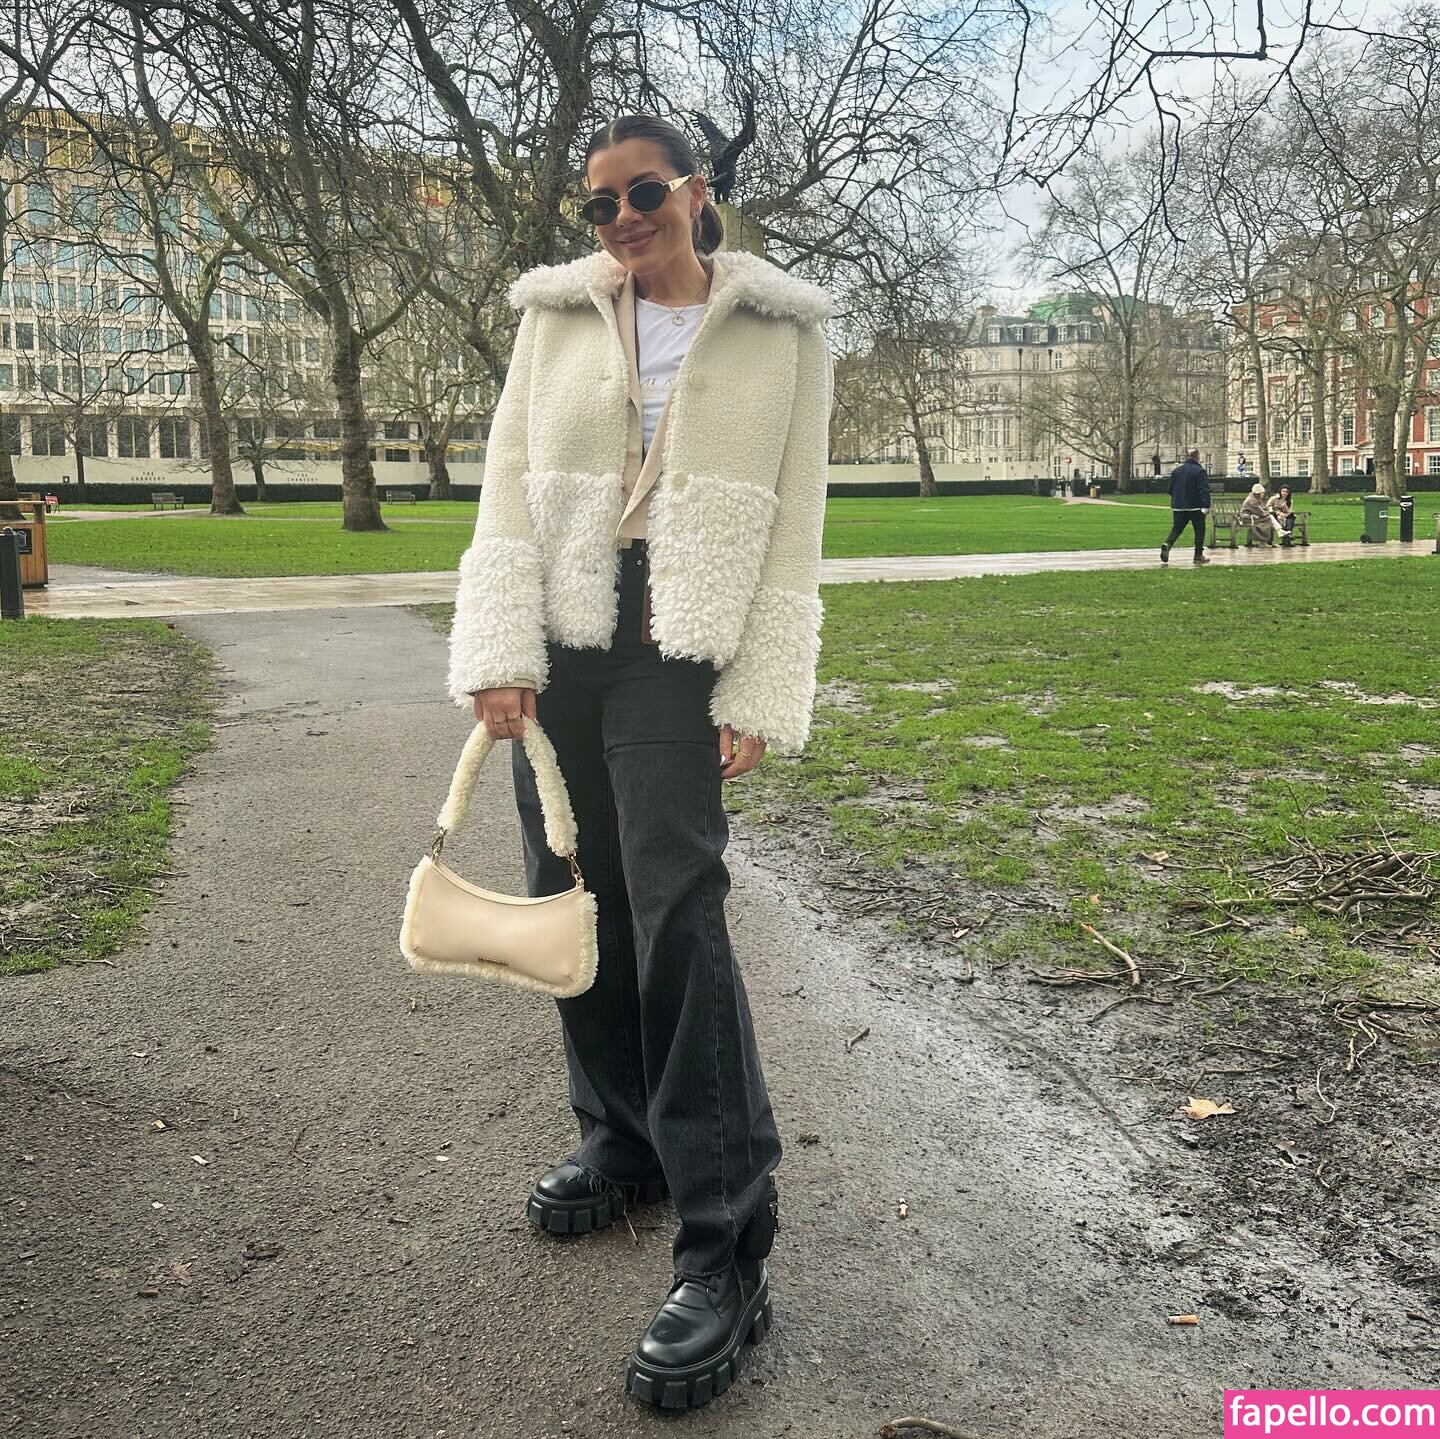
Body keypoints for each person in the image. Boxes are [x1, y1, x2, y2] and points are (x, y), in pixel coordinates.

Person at [445, 113, 832, 1410]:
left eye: (643, 191)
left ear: (694, 190)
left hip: (678, 641)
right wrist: (500, 648)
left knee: (679, 913)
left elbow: (796, 518)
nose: (621, 217)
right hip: (560, 635)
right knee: (574, 893)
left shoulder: (780, 328)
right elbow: (506, 482)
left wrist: (760, 682)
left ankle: (727, 1241)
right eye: (599, 201)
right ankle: (621, 1139)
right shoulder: (554, 317)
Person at [1161, 447, 1212, 565]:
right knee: (1199, 530)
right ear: (1197, 456)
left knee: (1176, 529)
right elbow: (1203, 490)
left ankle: (1168, 544)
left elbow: (1170, 489)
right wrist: (1206, 505)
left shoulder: (1176, 471)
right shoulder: (1200, 471)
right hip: (1195, 506)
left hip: (1178, 506)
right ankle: (1198, 555)